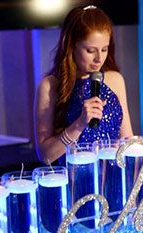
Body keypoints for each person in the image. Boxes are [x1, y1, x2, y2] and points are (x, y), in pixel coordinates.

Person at [34, 5, 133, 164]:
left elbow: (127, 139)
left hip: (114, 177)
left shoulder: (115, 80)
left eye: (104, 49)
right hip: (75, 181)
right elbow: (45, 156)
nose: (99, 59)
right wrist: (79, 124)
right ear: (72, 46)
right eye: (90, 50)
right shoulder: (50, 86)